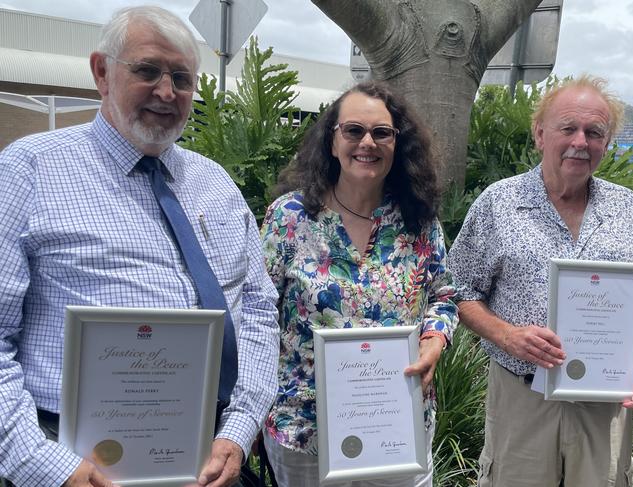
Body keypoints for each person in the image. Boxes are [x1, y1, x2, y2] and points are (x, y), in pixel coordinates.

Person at [0, 6, 279, 487]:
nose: (167, 92)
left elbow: (257, 310)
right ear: (102, 73)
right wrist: (43, 466)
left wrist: (237, 429)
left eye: (182, 78)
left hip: (211, 459)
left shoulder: (215, 184)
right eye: (148, 70)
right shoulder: (31, 170)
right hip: (73, 458)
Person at [448, 75, 633, 487]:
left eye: (594, 132)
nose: (581, 141)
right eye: (568, 128)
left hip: (606, 402)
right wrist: (506, 335)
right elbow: (456, 289)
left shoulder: (630, 209)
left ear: (606, 143)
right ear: (540, 134)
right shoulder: (499, 203)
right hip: (523, 396)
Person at [259, 81, 459, 486]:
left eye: (381, 133)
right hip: (303, 428)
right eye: (353, 130)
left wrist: (434, 341)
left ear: (396, 145)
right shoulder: (290, 218)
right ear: (332, 142)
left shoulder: (417, 222)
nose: (367, 142)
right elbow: (258, 309)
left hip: (396, 424)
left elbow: (444, 297)